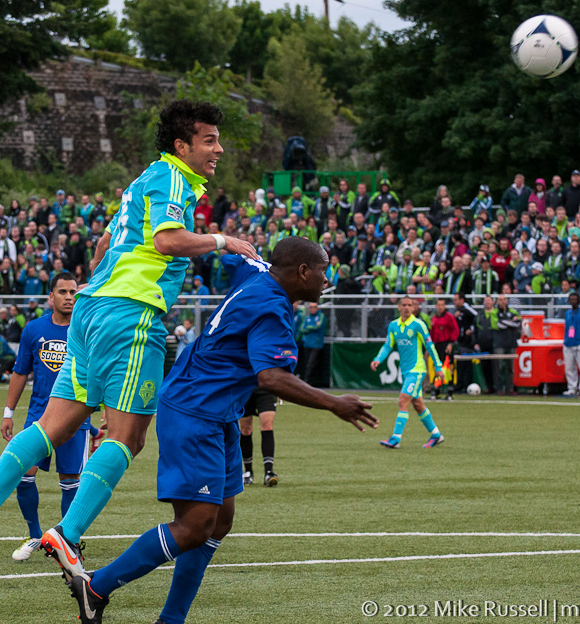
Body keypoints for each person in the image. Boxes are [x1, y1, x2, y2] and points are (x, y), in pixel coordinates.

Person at [0, 100, 258, 577]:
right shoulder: (173, 179)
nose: (219, 149)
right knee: (127, 436)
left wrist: (104, 287)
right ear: (182, 146)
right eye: (209, 140)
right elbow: (167, 241)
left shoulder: (144, 181)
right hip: (130, 314)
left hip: (91, 310)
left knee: (53, 426)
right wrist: (224, 241)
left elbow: (101, 247)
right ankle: (67, 535)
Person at [67, 237, 376, 624]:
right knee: (194, 526)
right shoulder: (272, 309)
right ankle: (96, 586)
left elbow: (238, 260)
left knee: (221, 520)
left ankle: (171, 619)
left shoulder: (259, 272)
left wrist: (232, 244)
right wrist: (334, 403)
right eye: (323, 270)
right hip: (195, 410)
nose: (327, 279)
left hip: (217, 411)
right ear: (302, 272)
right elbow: (271, 377)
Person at [0, 273, 99, 561]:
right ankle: (34, 535)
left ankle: (68, 541)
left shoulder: (87, 328)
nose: (69, 297)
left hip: (75, 416)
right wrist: (8, 412)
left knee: (70, 481)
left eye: (73, 292)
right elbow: (20, 371)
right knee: (23, 474)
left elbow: (99, 372)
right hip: (39, 415)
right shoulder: (34, 329)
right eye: (63, 292)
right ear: (51, 296)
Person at [370, 296, 444, 449]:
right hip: (405, 371)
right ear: (399, 307)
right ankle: (436, 435)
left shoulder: (418, 325)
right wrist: (378, 359)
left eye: (409, 305)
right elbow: (388, 345)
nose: (406, 308)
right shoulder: (393, 326)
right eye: (403, 305)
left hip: (416, 370)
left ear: (413, 308)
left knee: (403, 400)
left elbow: (430, 346)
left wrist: (438, 367)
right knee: (418, 404)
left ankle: (396, 438)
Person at [239, 388, 279, 487]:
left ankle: (269, 472)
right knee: (245, 430)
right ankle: (248, 471)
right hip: (244, 389)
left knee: (267, 426)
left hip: (265, 388)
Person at [562, 292, 580, 396]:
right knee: (569, 367)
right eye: (571, 299)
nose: (573, 301)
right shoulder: (567, 313)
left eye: (574, 299)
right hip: (569, 342)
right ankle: (572, 387)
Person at [492, 294, 521, 395]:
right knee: (498, 367)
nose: (502, 301)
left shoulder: (513, 311)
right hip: (499, 343)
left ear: (507, 301)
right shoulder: (494, 312)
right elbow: (498, 325)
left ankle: (510, 389)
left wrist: (505, 322)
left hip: (511, 342)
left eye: (504, 299)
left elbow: (518, 323)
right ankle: (499, 388)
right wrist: (510, 322)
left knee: (510, 368)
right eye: (500, 300)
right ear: (497, 302)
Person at [297, 301, 326, 383]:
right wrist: (311, 328)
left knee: (311, 363)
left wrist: (308, 327)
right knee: (306, 363)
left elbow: (318, 326)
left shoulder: (321, 316)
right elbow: (302, 329)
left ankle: (307, 381)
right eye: (311, 307)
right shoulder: (307, 318)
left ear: (317, 308)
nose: (312, 309)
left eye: (314, 307)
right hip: (307, 344)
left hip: (316, 344)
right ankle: (306, 381)